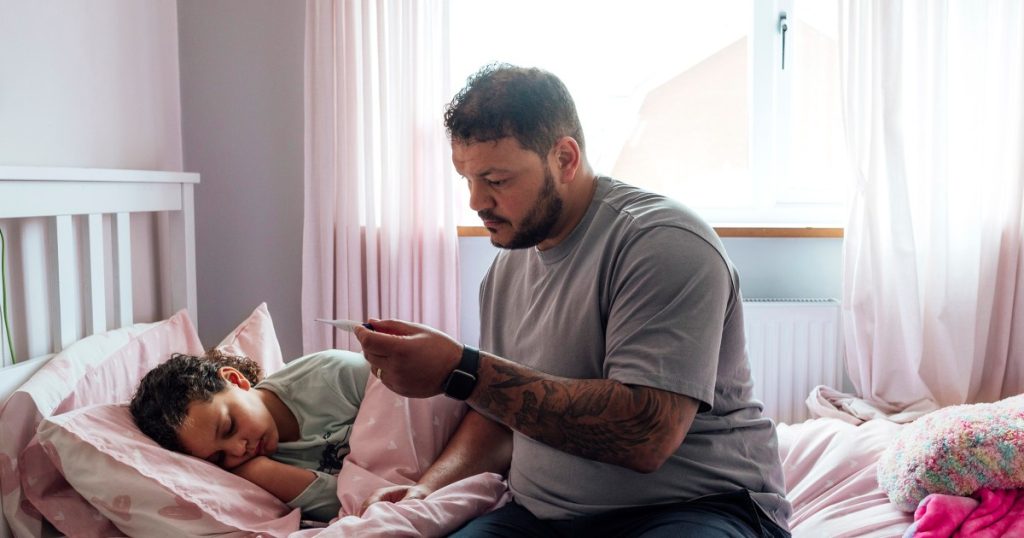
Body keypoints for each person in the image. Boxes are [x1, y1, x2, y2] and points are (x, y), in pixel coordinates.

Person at [355, 63, 792, 537]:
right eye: (468, 179)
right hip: (540, 517)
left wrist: (461, 370)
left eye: (496, 180)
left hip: (694, 506)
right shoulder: (505, 271)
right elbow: (500, 415)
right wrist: (426, 490)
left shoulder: (662, 243)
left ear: (564, 159)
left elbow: (646, 435)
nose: (476, 201)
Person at [130, 348, 370, 523]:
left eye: (229, 427)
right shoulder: (253, 472)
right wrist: (263, 473)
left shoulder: (334, 375)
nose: (238, 450)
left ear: (235, 380)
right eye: (218, 458)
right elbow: (357, 505)